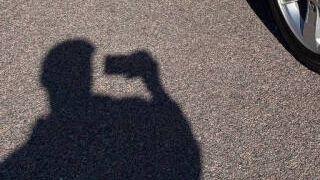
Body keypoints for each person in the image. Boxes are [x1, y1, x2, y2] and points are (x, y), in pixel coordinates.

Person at [0, 39, 201, 179]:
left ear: (46, 81)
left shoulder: (36, 144)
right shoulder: (132, 108)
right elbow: (178, 134)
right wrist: (153, 83)